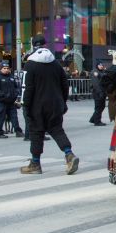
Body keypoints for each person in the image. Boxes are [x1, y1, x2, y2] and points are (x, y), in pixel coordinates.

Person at [20, 35, 79, 175]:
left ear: (33, 45)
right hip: (55, 103)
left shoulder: (30, 64)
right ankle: (69, 154)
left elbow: (27, 88)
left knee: (36, 132)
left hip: (37, 105)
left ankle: (35, 163)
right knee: (57, 130)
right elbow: (65, 84)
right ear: (45, 45)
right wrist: (63, 102)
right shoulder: (55, 63)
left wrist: (25, 105)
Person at [0, 62, 23, 139]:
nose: (6, 70)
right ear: (1, 69)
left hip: (11, 102)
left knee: (14, 117)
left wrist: (16, 93)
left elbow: (16, 87)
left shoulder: (11, 77)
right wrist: (3, 96)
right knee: (0, 118)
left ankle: (18, 131)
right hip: (1, 102)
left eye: (7, 68)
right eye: (4, 68)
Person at [90, 61, 107, 126]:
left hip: (102, 91)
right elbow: (96, 84)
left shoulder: (101, 72)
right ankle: (97, 121)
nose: (101, 66)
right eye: (100, 65)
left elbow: (105, 76)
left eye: (102, 65)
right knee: (98, 107)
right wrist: (100, 92)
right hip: (97, 92)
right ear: (97, 65)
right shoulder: (94, 72)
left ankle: (93, 119)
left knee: (102, 106)